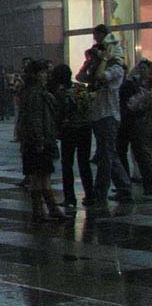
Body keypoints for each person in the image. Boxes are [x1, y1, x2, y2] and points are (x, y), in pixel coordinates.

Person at [79, 24, 133, 206]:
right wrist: (88, 63)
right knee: (109, 154)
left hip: (109, 115)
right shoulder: (97, 68)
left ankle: (100, 192)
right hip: (98, 114)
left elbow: (102, 77)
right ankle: (125, 188)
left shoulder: (116, 69)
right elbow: (80, 77)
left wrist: (103, 60)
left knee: (106, 156)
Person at [18, 59, 66, 222]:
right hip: (39, 140)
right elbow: (36, 119)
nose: (46, 75)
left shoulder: (34, 92)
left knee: (42, 175)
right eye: (42, 72)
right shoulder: (36, 94)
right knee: (41, 176)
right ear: (36, 75)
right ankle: (43, 210)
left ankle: (45, 209)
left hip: (38, 139)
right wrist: (40, 140)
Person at [49, 63, 92, 214]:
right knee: (84, 163)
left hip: (69, 131)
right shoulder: (80, 88)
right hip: (85, 128)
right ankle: (90, 195)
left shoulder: (61, 93)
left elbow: (59, 114)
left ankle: (70, 197)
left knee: (67, 164)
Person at [118, 60, 152, 195]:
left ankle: (147, 185)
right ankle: (126, 184)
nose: (142, 70)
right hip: (130, 120)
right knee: (125, 152)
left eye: (144, 68)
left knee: (141, 154)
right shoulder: (132, 83)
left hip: (138, 122)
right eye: (140, 68)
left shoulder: (143, 85)